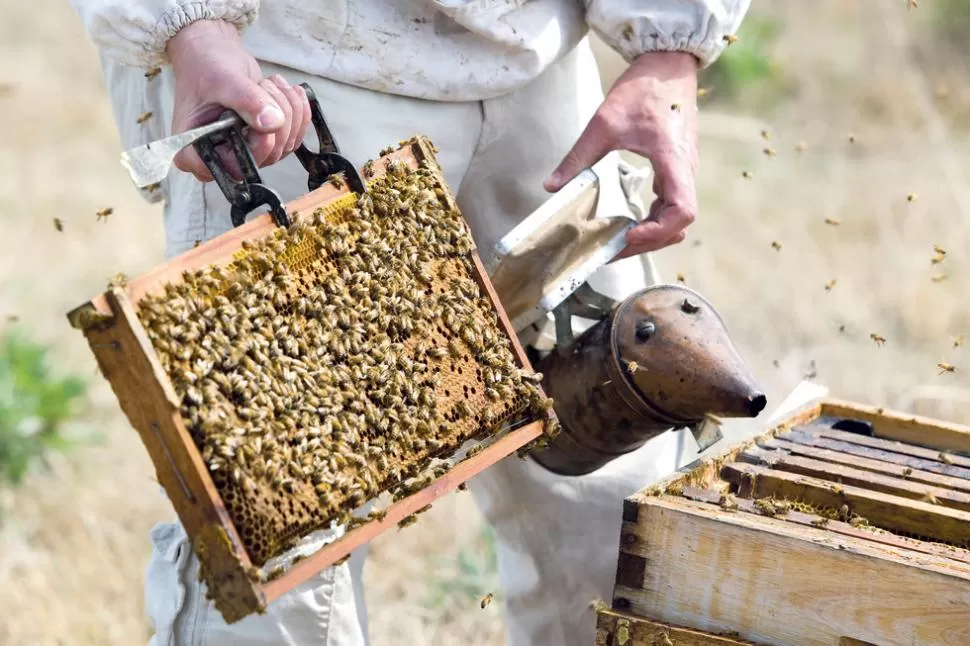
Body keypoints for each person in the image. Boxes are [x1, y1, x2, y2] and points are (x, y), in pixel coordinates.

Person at [70, 2, 751, 645]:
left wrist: (669, 49)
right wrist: (194, 28)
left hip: (541, 67)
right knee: (285, 539)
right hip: (290, 73)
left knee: (614, 509)